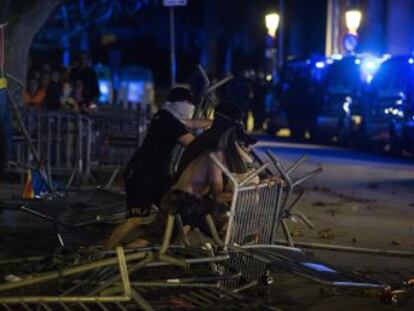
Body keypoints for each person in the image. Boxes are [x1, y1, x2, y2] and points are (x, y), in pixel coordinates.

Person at [124, 123, 257, 248]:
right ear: (235, 145)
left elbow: (237, 182)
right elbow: (219, 195)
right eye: (245, 145)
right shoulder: (216, 157)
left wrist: (262, 182)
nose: (249, 150)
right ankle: (118, 257)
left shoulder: (223, 158)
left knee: (212, 217)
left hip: (185, 200)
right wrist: (243, 191)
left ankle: (227, 242)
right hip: (182, 200)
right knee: (150, 239)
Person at [104, 87, 199, 250]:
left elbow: (191, 123)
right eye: (187, 103)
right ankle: (104, 252)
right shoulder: (169, 122)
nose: (190, 107)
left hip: (157, 176)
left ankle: (143, 246)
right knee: (135, 219)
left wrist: (215, 124)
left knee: (174, 210)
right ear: (178, 104)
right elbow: (193, 143)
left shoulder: (165, 115)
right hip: (143, 176)